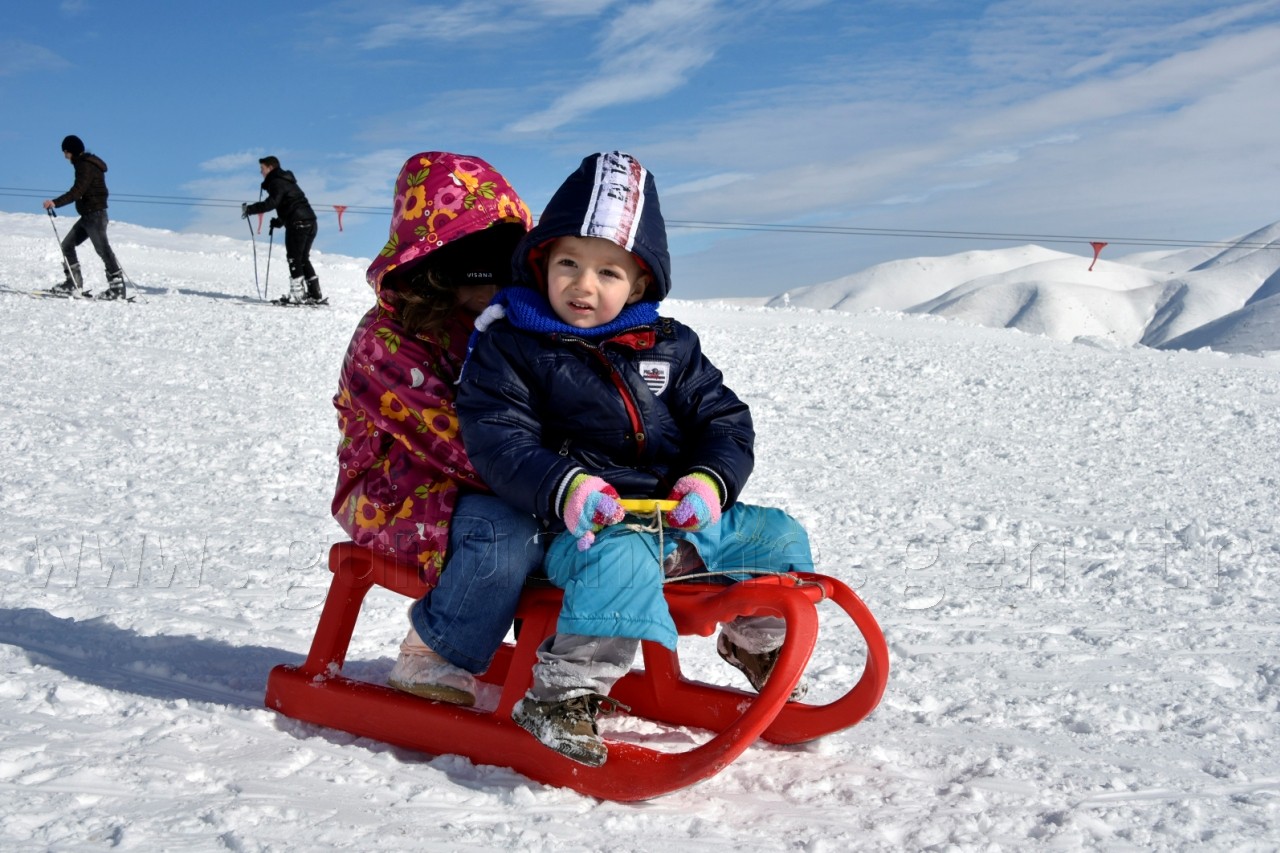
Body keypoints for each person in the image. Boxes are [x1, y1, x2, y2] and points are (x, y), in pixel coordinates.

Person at [456, 151, 814, 766]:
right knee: (620, 564)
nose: (583, 285)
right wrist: (567, 488)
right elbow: (500, 439)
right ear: (541, 264)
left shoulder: (671, 347)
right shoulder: (511, 347)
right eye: (568, 264)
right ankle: (563, 698)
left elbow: (723, 421)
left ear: (640, 284)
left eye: (608, 272)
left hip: (675, 517)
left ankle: (755, 644)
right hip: (581, 524)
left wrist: (708, 481)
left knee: (777, 536)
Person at [332, 151, 545, 706]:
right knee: (508, 532)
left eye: (507, 268)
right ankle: (436, 650)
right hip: (394, 493)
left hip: (507, 477)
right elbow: (458, 446)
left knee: (583, 534)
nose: (498, 288)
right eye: (481, 273)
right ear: (435, 267)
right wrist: (555, 482)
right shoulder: (384, 344)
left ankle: (559, 663)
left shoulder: (505, 319)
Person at [42, 135, 127, 300]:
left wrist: (55, 202)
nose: (65, 156)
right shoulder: (86, 164)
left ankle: (117, 288)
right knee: (67, 245)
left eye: (65, 152)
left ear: (71, 151)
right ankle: (73, 283)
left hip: (95, 215)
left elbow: (77, 191)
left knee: (103, 250)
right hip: (89, 216)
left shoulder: (85, 165)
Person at [242, 156, 324, 305]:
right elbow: (290, 204)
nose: (261, 172)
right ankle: (315, 294)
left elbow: (272, 203)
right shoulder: (286, 180)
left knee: (294, 258)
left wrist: (250, 209)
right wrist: (279, 221)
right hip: (310, 221)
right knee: (303, 258)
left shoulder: (276, 181)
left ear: (270, 168)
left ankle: (298, 296)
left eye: (262, 168)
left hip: (297, 223)